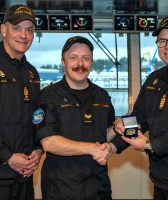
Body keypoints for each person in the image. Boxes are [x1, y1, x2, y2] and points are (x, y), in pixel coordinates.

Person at [33, 36, 125, 200]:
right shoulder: (48, 96)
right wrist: (92, 148)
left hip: (99, 187)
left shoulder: (102, 96)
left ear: (91, 62)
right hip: (61, 189)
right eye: (73, 57)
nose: (80, 64)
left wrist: (117, 127)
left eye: (86, 58)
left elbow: (106, 133)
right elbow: (48, 142)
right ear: (63, 61)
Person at [114, 15, 168, 200]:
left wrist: (150, 145)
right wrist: (115, 138)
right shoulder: (154, 78)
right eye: (162, 41)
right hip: (160, 178)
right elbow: (140, 117)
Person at [0, 4, 42, 200]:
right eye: (17, 28)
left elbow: (37, 118)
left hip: (24, 176)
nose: (24, 35)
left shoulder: (32, 73)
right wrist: (8, 157)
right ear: (3, 30)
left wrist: (38, 149)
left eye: (29, 30)